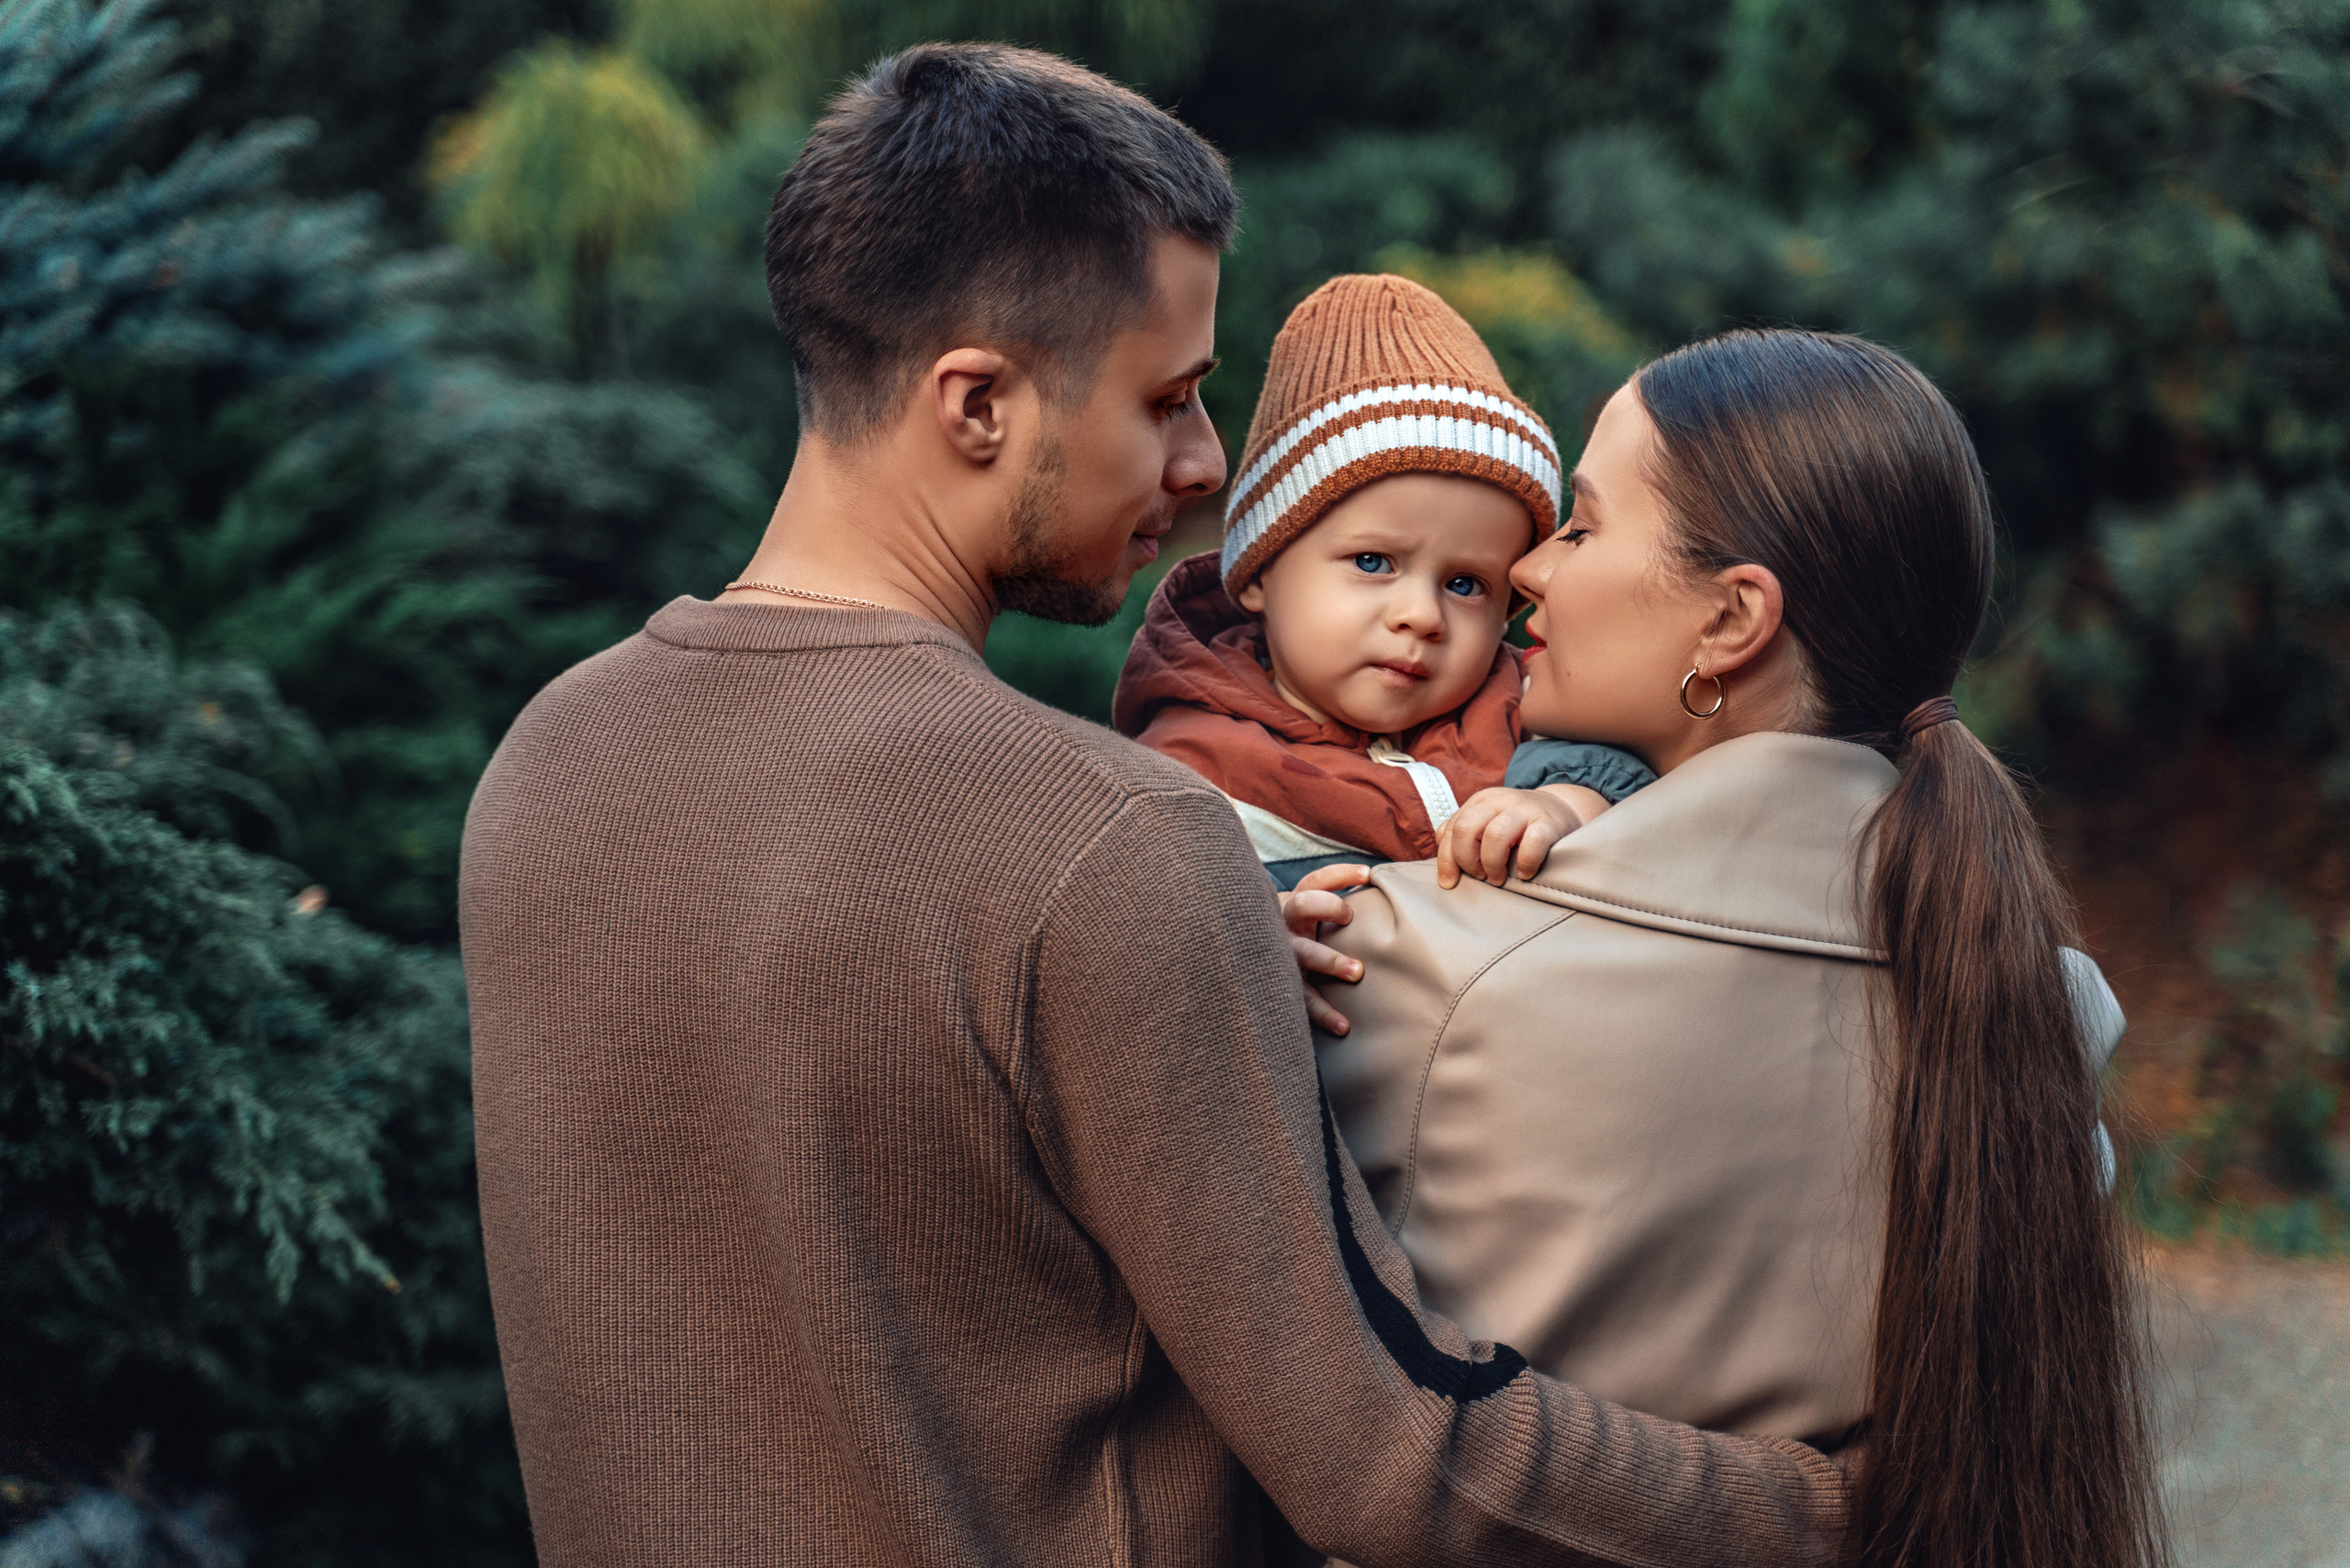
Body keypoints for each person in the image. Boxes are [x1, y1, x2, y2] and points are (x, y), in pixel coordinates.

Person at [459, 43, 1854, 1568]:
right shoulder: (1105, 842)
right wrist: (1838, 1506)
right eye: (1169, 400)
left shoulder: (546, 764)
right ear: (977, 402)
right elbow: (1396, 1457)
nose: (1202, 470)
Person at [1303, 330, 2166, 1568]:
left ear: (1732, 619)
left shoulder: (1408, 962)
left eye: (1583, 528)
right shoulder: (2042, 1007)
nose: (1531, 569)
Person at [1113, 273, 1653, 900]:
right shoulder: (1193, 771)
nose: (1422, 616)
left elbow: (1635, 786)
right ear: (1260, 571)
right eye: (1374, 562)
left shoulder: (1527, 712)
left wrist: (1567, 805)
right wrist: (1260, 932)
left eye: (1465, 583)